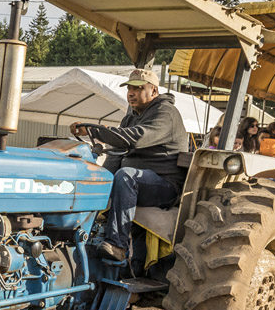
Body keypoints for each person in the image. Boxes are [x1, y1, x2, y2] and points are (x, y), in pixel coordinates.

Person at [70, 67, 188, 262]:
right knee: (98, 174)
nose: (131, 93)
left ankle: (117, 245)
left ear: (154, 91)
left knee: (126, 176)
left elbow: (134, 138)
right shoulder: (132, 116)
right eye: (129, 89)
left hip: (164, 185)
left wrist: (97, 131)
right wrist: (99, 180)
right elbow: (116, 152)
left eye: (138, 88)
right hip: (139, 182)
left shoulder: (165, 113)